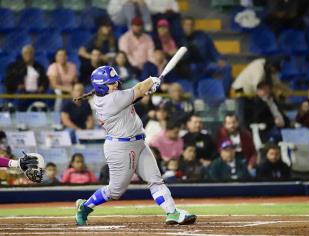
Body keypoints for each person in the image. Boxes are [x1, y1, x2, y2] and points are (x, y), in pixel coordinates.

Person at [72, 66, 196, 225]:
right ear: (101, 86)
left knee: (156, 180)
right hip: (120, 149)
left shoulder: (111, 95)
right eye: (111, 83)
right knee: (115, 191)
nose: (115, 84)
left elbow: (134, 95)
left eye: (115, 81)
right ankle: (85, 206)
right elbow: (137, 89)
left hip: (138, 143)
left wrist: (147, 90)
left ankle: (172, 212)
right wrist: (152, 80)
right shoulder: (110, 100)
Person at [5, 45, 49, 111]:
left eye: (30, 53)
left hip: (36, 92)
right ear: (22, 54)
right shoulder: (13, 67)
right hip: (20, 92)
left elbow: (45, 81)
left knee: (44, 98)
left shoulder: (39, 67)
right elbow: (8, 80)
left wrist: (42, 87)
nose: (28, 55)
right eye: (26, 53)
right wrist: (18, 85)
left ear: (34, 55)